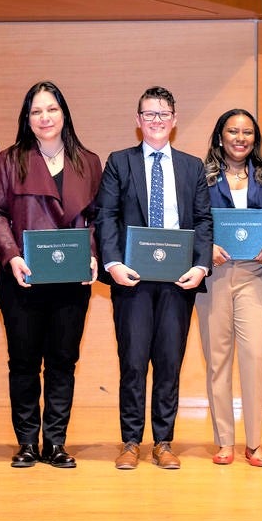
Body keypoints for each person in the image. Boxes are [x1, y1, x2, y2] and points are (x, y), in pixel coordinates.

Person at [95, 86, 213, 470]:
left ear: (175, 120)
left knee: (168, 361)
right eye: (149, 114)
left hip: (179, 280)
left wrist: (201, 265)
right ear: (138, 121)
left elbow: (202, 221)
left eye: (163, 114)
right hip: (132, 278)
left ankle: (163, 441)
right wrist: (112, 263)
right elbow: (106, 216)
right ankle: (131, 441)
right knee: (132, 361)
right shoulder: (119, 162)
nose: (157, 120)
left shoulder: (193, 167)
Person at [0, 82, 102, 469]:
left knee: (62, 361)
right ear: (27, 118)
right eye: (36, 111)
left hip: (71, 281)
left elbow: (99, 219)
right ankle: (26, 443)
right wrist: (11, 255)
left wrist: (92, 254)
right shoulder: (9, 160)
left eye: (51, 109)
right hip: (24, 277)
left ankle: (55, 442)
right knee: (22, 362)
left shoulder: (88, 161)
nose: (45, 117)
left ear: (64, 114)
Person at [195, 109, 262, 467]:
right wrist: (204, 249)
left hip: (256, 274)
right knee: (217, 361)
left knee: (253, 358)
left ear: (255, 137)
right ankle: (224, 441)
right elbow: (191, 220)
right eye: (232, 131)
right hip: (214, 276)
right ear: (220, 136)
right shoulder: (200, 174)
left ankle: (254, 442)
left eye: (247, 132)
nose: (240, 138)